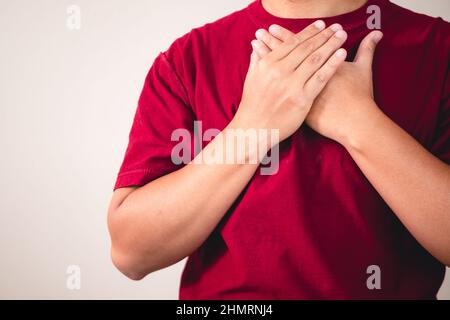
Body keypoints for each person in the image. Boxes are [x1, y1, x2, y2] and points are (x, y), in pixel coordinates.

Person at [107, 0, 450, 299]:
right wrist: (253, 126)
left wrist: (359, 122)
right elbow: (132, 253)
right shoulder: (187, 60)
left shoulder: (440, 50)